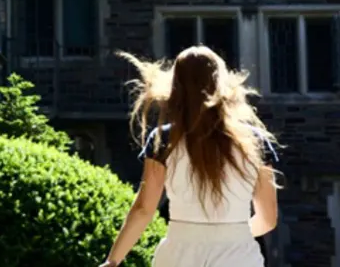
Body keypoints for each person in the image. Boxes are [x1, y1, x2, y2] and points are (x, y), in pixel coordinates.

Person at [99, 46, 279, 267]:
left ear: (177, 88)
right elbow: (268, 218)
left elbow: (144, 208)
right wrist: (231, 233)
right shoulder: (255, 141)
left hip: (178, 255)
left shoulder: (163, 140)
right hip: (238, 256)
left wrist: (112, 261)